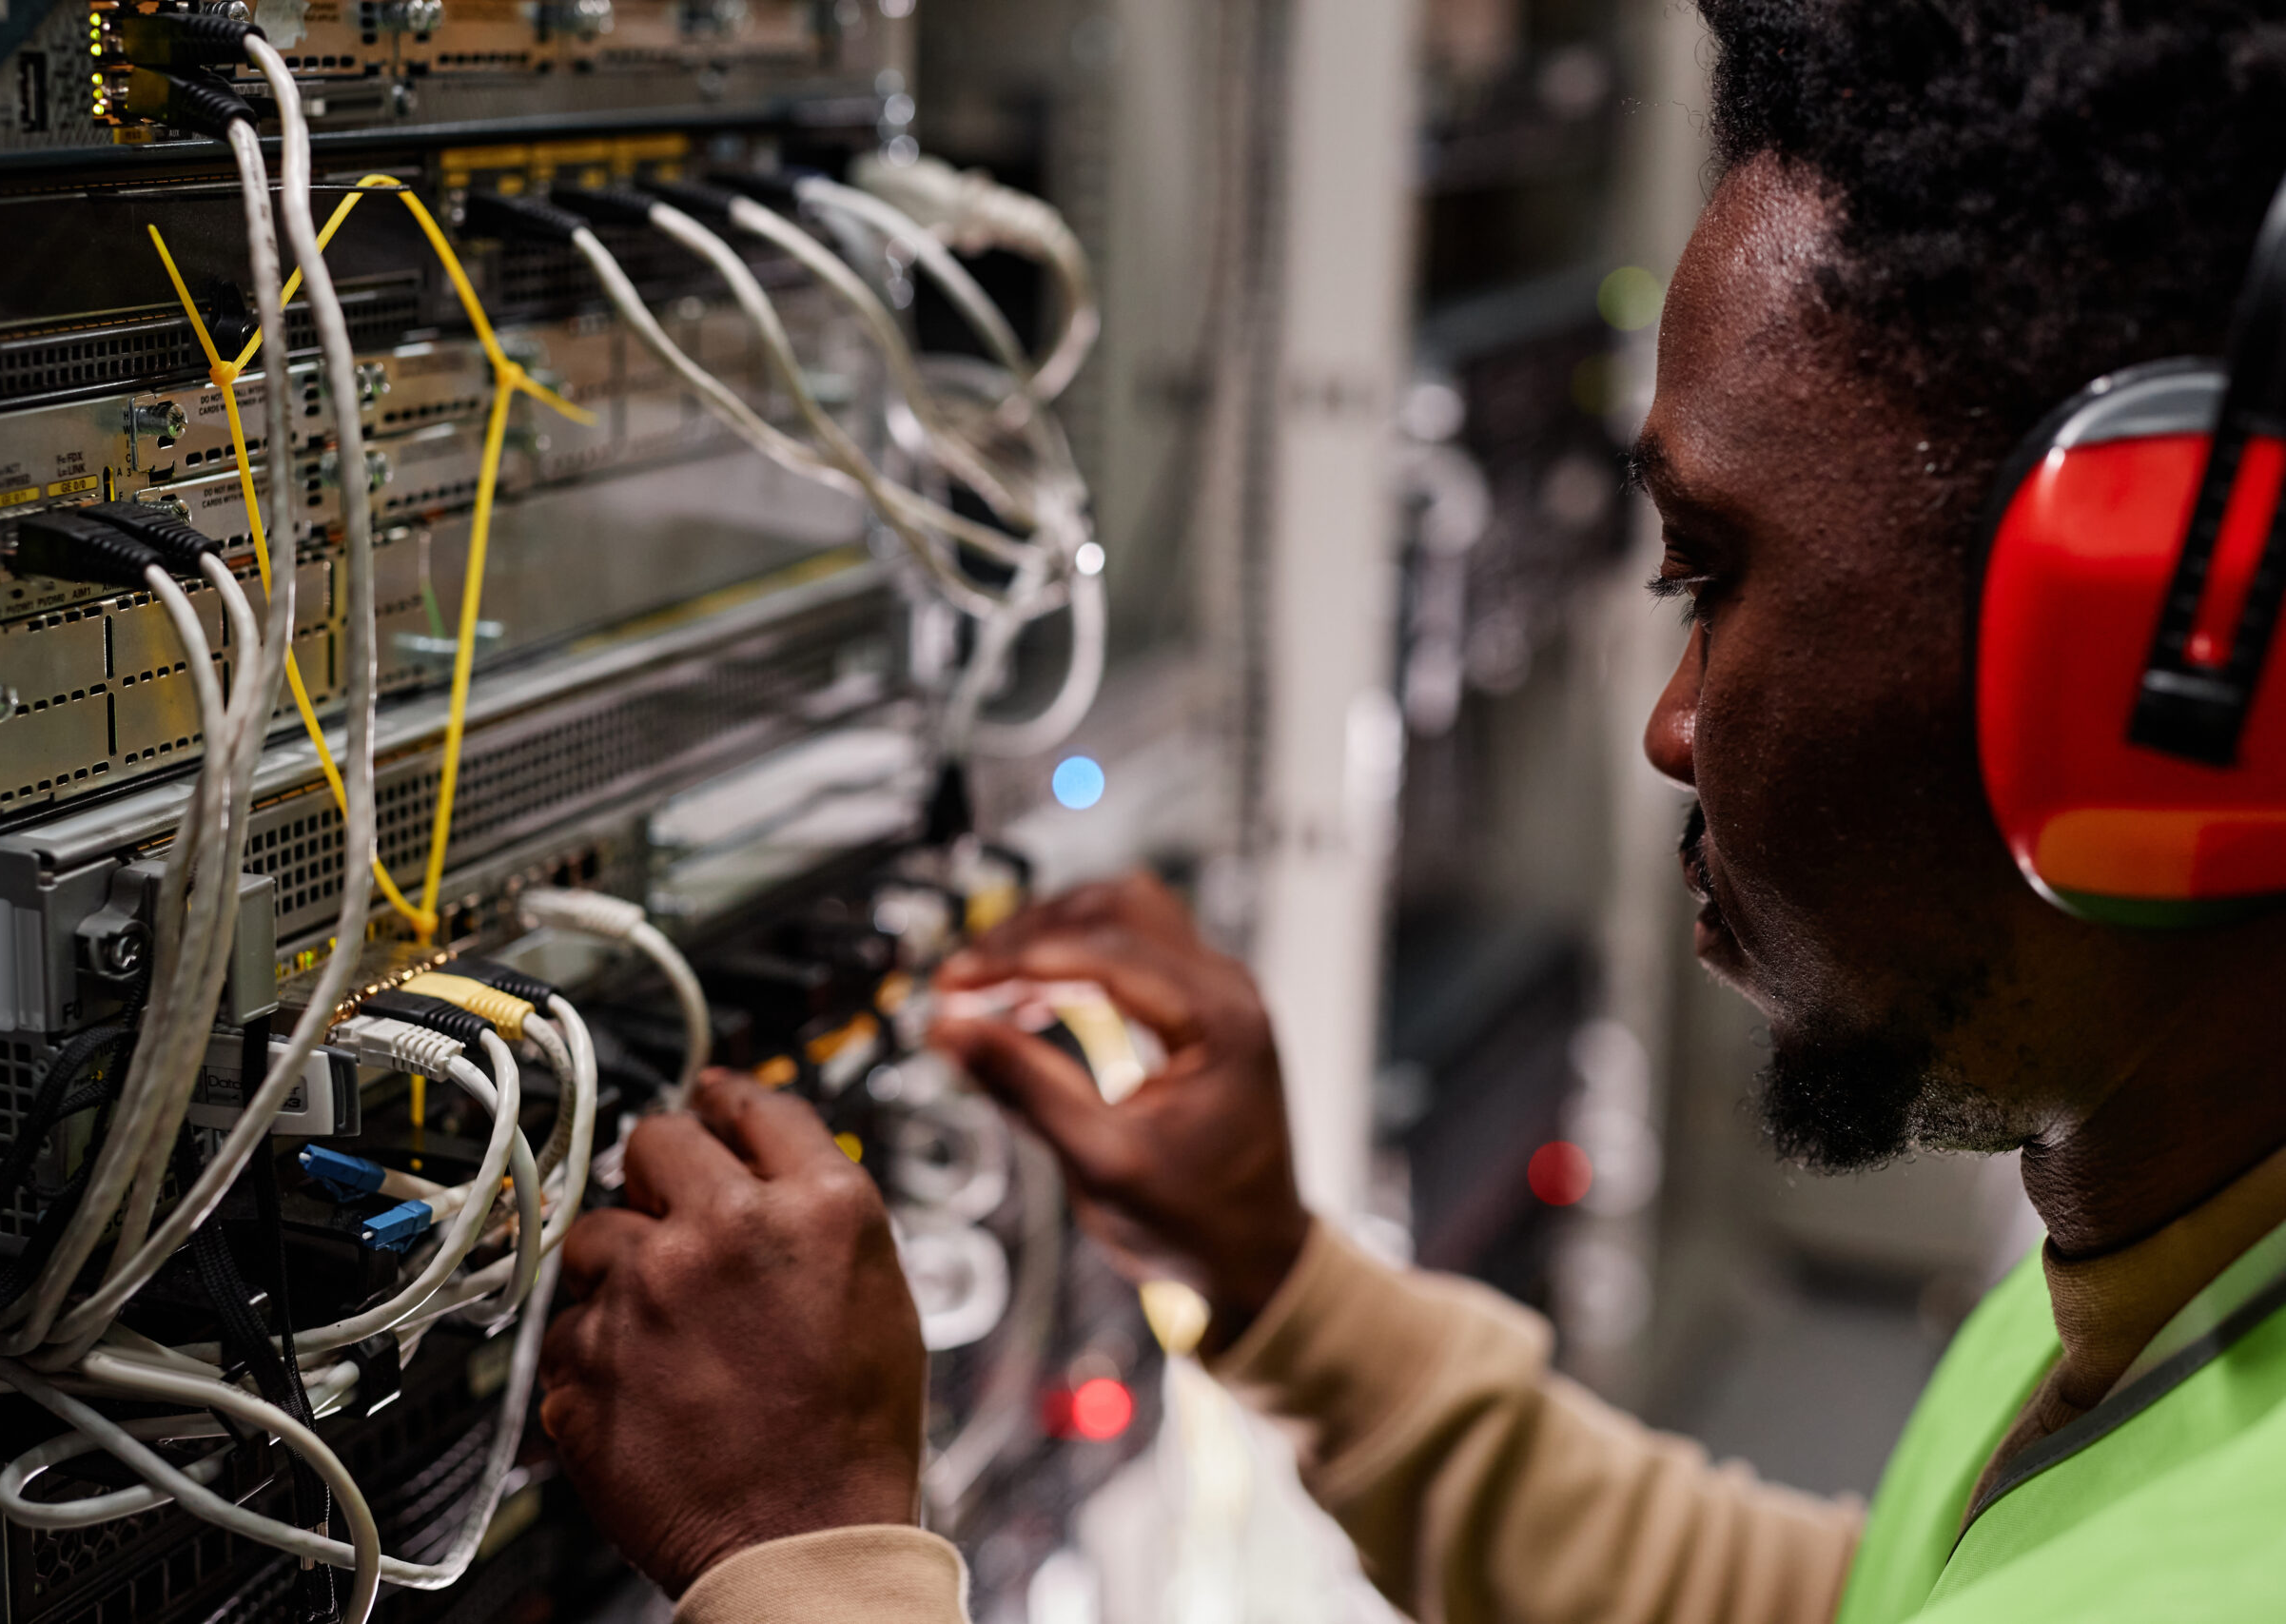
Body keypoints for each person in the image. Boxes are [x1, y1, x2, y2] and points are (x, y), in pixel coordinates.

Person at [534, 4, 2286, 1620]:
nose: (1673, 730)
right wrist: (1278, 1280)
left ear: (2158, 661)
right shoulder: (2187, 1277)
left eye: (1712, 575)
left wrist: (805, 1565)